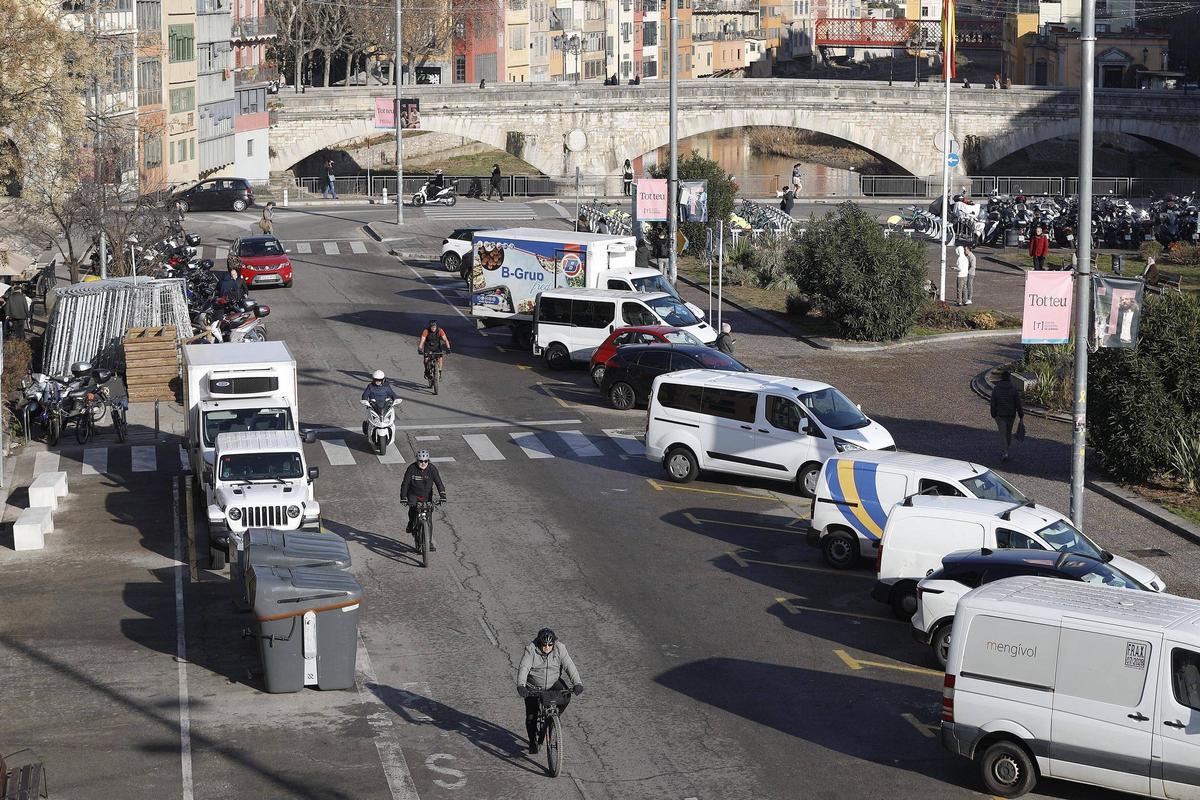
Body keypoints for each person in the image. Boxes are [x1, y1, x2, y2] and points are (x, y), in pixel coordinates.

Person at [516, 628, 583, 755]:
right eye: (544, 645)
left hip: (553, 682)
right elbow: (524, 667)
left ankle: (553, 719)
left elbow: (569, 665)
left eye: (549, 645)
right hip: (534, 685)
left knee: (566, 696)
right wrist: (521, 685)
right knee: (531, 716)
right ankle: (533, 742)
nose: (546, 647)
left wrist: (577, 683)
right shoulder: (531, 650)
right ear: (539, 643)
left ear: (554, 643)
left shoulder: (560, 649)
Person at [400, 449, 447, 546]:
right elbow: (405, 484)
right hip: (413, 495)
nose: (423, 463)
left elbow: (439, 483)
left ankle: (428, 542)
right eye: (421, 461)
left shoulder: (432, 469)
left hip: (426, 496)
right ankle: (411, 523)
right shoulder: (411, 468)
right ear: (417, 460)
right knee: (413, 511)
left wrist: (442, 495)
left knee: (428, 519)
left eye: (426, 461)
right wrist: (403, 497)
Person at [989, 369, 1025, 463]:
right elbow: (1017, 403)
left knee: (1003, 434)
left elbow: (993, 402)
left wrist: (993, 413)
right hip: (1010, 414)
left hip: (1000, 415)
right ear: (1009, 378)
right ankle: (1006, 449)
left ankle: (1005, 452)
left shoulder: (996, 388)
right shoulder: (1013, 389)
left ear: (1001, 378)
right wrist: (1021, 414)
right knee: (1008, 432)